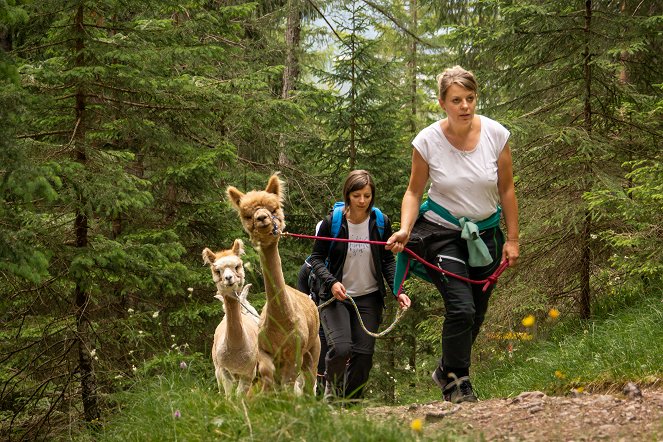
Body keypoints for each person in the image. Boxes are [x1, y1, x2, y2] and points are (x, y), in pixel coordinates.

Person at [386, 66, 519, 403]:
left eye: (470, 99)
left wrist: (513, 239)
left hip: (485, 233)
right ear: (442, 102)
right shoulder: (427, 141)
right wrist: (404, 229)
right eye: (457, 100)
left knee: (477, 311)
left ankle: (445, 368)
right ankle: (458, 381)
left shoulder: (496, 134)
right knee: (461, 309)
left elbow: (507, 189)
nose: (465, 106)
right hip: (441, 233)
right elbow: (414, 192)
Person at [309, 170, 411, 401]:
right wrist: (332, 282)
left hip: (369, 297)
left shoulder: (380, 222)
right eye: (357, 195)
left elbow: (387, 260)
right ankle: (331, 394)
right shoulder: (331, 223)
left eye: (367, 195)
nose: (362, 201)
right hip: (335, 297)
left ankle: (351, 401)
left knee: (364, 355)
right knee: (342, 347)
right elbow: (315, 259)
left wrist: (399, 291)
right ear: (348, 195)